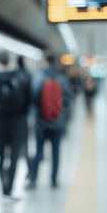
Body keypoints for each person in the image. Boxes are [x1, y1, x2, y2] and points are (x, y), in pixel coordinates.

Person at [26, 52, 72, 189]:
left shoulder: (38, 77)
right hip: (58, 121)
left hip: (41, 121)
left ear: (45, 60)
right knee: (55, 151)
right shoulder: (63, 78)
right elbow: (68, 99)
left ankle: (34, 178)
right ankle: (54, 179)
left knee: (39, 150)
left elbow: (33, 98)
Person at [0, 51, 30, 199]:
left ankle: (3, 187)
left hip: (0, 122)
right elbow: (29, 99)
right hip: (18, 121)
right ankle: (9, 188)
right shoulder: (20, 78)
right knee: (14, 156)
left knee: (1, 156)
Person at [16, 56, 33, 176]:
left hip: (15, 117)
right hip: (26, 115)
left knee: (14, 146)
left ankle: (12, 171)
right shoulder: (28, 75)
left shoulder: (15, 76)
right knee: (25, 145)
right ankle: (29, 170)